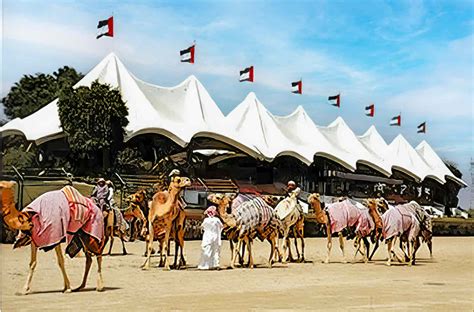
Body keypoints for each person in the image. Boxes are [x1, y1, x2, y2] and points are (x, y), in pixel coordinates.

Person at [198, 206, 223, 270]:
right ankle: (215, 264)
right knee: (215, 250)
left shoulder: (206, 220)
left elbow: (202, 227)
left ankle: (205, 265)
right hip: (216, 236)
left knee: (207, 250)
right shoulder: (217, 220)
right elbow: (221, 227)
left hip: (207, 236)